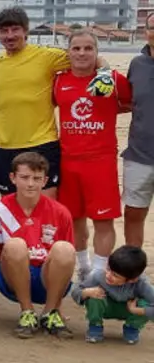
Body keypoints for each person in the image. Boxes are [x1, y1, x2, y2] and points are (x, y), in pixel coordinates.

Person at [53, 30, 131, 276]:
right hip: (67, 160)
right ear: (69, 52)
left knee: (103, 220)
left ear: (97, 52)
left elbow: (129, 103)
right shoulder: (58, 80)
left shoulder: (112, 79)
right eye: (76, 48)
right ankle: (84, 268)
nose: (82, 53)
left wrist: (105, 111)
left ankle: (99, 272)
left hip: (101, 161)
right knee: (73, 218)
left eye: (88, 48)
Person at [0, 151, 76, 338]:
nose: (30, 184)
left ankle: (50, 314)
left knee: (65, 249)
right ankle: (27, 312)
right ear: (12, 178)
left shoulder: (60, 212)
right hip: (12, 279)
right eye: (24, 177)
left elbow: (67, 262)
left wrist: (58, 305)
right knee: (15, 245)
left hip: (45, 279)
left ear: (45, 180)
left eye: (36, 178)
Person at [0, 7, 71, 197]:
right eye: (4, 31)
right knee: (11, 211)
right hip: (5, 147)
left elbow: (85, 57)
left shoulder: (47, 56)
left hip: (42, 143)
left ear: (25, 31)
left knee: (46, 208)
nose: (10, 35)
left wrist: (105, 69)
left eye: (15, 29)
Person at [72, 246, 151, 344]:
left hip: (128, 310)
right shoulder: (98, 275)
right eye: (108, 269)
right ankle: (95, 326)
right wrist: (86, 292)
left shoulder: (141, 284)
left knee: (146, 303)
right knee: (94, 296)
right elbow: (75, 290)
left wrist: (135, 310)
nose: (108, 275)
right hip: (105, 307)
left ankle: (132, 327)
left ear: (132, 280)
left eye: (115, 275)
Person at [124, 12, 154, 247]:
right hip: (139, 155)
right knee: (134, 214)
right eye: (152, 27)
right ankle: (133, 270)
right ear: (146, 32)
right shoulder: (137, 64)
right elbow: (126, 101)